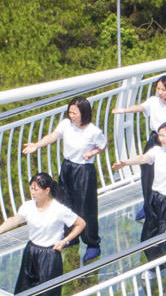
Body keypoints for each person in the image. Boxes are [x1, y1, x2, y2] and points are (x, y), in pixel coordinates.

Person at [0, 174, 85, 296]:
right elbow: (15, 220)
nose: (32, 193)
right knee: (23, 292)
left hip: (50, 254)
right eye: (31, 189)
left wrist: (65, 241)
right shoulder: (28, 206)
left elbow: (80, 223)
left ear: (47, 190)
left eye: (36, 189)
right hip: (32, 250)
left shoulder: (58, 209)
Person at [22, 99, 111, 261]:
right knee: (65, 203)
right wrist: (37, 145)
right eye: (70, 112)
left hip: (84, 170)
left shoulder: (93, 131)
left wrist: (92, 153)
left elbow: (103, 145)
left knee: (85, 208)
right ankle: (72, 237)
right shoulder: (65, 124)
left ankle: (92, 243)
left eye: (75, 113)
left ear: (84, 113)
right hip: (68, 167)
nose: (72, 116)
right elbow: (53, 136)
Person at [117, 122, 166, 255]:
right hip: (155, 198)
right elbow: (143, 158)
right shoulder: (158, 151)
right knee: (149, 234)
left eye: (163, 136)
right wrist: (125, 163)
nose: (160, 139)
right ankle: (154, 265)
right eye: (159, 135)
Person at [125, 76, 166, 215]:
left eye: (163, 89)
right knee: (147, 173)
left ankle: (165, 203)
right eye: (158, 89)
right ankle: (148, 205)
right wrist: (123, 111)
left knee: (165, 172)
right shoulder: (154, 101)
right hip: (155, 139)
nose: (160, 92)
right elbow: (141, 107)